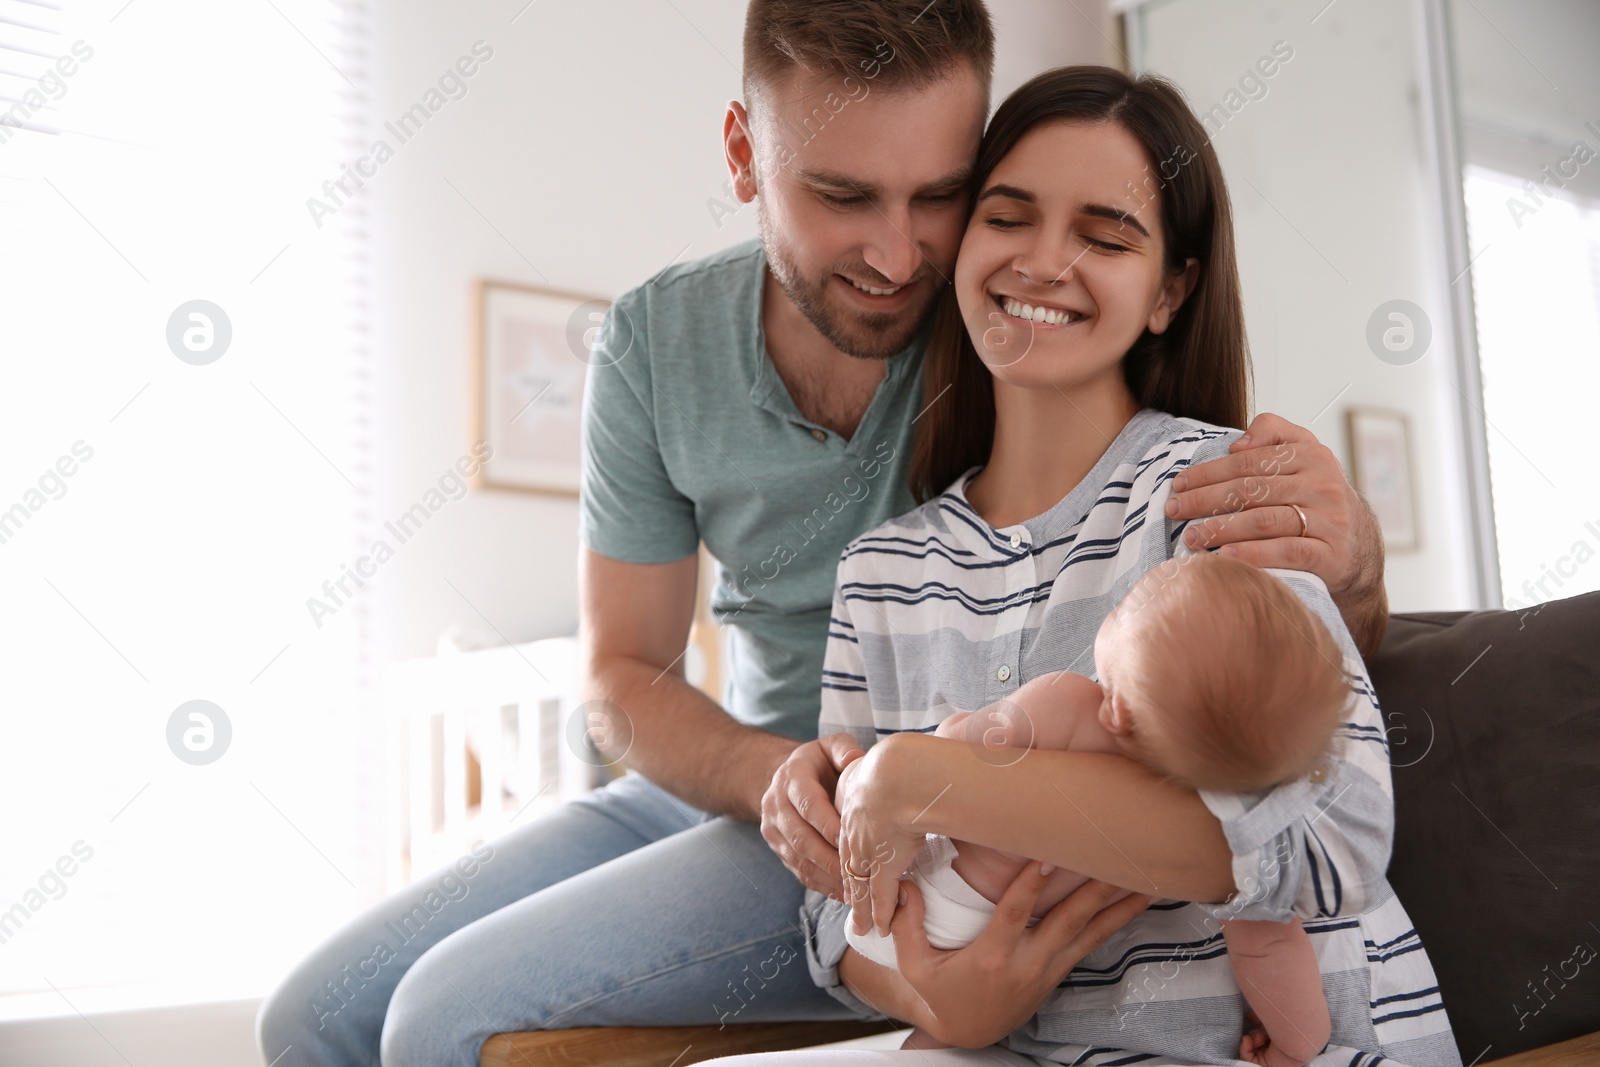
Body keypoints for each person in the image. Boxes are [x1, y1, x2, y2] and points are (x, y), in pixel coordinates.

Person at [254, 4, 1390, 1065]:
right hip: (753, 773)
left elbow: (1255, 664)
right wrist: (783, 783)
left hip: (936, 806)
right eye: (842, 196)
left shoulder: (1013, 303)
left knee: (440, 1015)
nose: (898, 259)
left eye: (939, 197)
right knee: (315, 1014)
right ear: (745, 155)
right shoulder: (658, 342)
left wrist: (1349, 556)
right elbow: (622, 673)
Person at [701, 64, 1459, 1066]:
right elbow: (837, 910)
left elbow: (1328, 836)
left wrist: (925, 774)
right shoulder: (882, 571)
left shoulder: (1219, 491)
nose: (1045, 262)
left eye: (1104, 237)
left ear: (1169, 290)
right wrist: (939, 996)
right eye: (1007, 217)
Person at [844, 552, 1350, 1067]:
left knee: (937, 1044)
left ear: (1119, 709)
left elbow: (953, 747)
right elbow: (1271, 947)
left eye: (1125, 609)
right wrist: (1296, 1043)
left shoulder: (1069, 705)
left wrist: (894, 763)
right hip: (994, 941)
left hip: (920, 900)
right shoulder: (1226, 828)